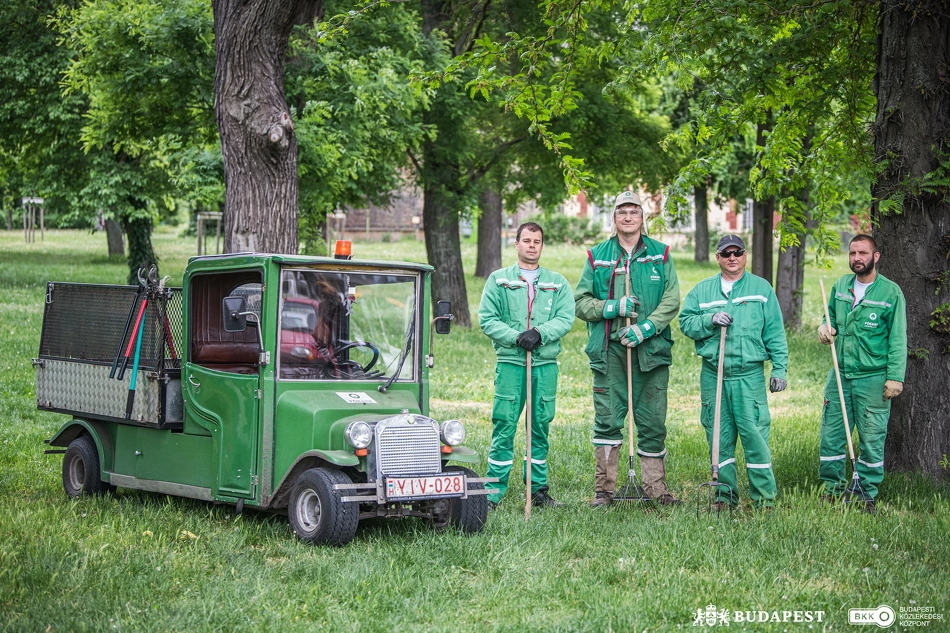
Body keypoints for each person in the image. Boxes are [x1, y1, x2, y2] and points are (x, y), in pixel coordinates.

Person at [575, 190, 682, 507]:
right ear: (614, 217)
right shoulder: (598, 256)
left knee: (652, 420)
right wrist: (612, 307)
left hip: (651, 351)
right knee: (607, 421)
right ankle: (604, 490)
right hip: (610, 352)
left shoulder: (659, 254)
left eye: (634, 210)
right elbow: (581, 303)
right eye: (622, 211)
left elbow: (672, 299)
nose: (628, 216)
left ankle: (655, 488)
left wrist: (646, 328)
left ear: (642, 217)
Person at [679, 235, 788, 509]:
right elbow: (685, 322)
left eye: (737, 252)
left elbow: (775, 332)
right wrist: (709, 319)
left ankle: (764, 499)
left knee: (755, 437)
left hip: (748, 376)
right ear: (717, 257)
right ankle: (724, 497)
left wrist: (780, 369)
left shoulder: (760, 289)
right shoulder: (702, 292)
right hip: (713, 375)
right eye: (726, 253)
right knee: (719, 437)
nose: (732, 258)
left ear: (745, 255)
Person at [478, 222, 576, 509]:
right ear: (516, 244)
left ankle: (537, 490)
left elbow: (565, 317)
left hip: (544, 364)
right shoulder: (498, 280)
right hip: (511, 363)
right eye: (527, 240)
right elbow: (488, 318)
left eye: (537, 241)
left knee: (540, 424)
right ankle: (492, 491)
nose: (532, 245)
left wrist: (540, 334)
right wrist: (517, 337)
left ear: (542, 246)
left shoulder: (557, 282)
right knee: (504, 423)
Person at [817, 234, 906, 511]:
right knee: (831, 434)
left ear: (875, 257)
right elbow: (828, 315)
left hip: (873, 377)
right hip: (840, 374)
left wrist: (895, 377)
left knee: (871, 437)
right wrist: (824, 328)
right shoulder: (841, 285)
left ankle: (864, 491)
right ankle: (830, 489)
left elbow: (898, 338)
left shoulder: (890, 293)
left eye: (863, 253)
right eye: (853, 252)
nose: (857, 258)